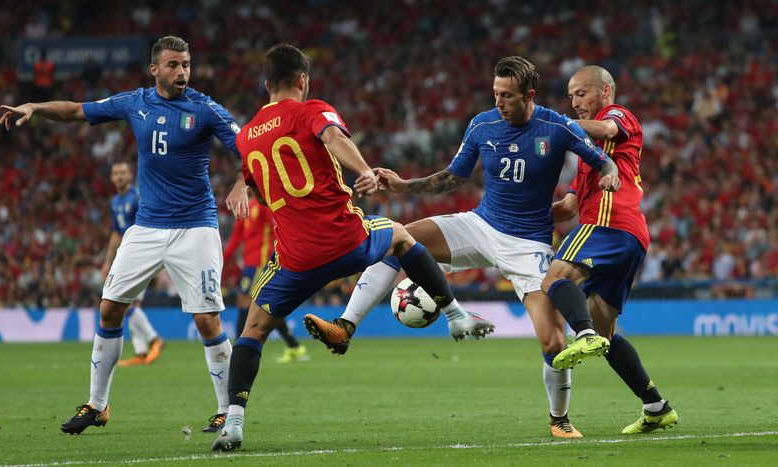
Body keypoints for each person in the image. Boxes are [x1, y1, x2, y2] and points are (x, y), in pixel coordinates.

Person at [304, 56, 621, 438]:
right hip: (481, 224)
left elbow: (604, 162)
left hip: (528, 244)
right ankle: (345, 326)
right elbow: (453, 178)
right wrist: (404, 185)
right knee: (396, 236)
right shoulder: (482, 124)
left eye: (507, 96)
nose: (499, 102)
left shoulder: (557, 126)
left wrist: (610, 176)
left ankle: (559, 420)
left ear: (529, 95)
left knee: (554, 342)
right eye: (495, 94)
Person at [212, 43, 492, 452]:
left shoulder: (248, 136)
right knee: (398, 234)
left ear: (267, 84)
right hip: (345, 238)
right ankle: (454, 314)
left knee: (252, 331)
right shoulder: (311, 110)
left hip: (294, 258)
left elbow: (255, 171)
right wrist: (364, 171)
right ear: (303, 81)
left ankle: (233, 424)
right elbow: (331, 136)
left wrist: (240, 185)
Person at [0, 36, 240, 435]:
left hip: (194, 226)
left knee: (206, 318)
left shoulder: (205, 108)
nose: (182, 72)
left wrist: (243, 181)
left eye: (186, 65)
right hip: (146, 227)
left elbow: (248, 147)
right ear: (155, 69)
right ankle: (97, 405)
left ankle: (226, 409)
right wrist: (36, 108)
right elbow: (77, 111)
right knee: (110, 307)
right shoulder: (135, 103)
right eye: (174, 65)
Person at [541, 65, 678, 433]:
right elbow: (568, 208)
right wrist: (521, 214)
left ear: (604, 91)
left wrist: (551, 121)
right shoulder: (588, 158)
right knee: (607, 336)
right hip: (627, 236)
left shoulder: (616, 115)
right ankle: (656, 405)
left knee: (553, 278)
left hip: (610, 222)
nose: (574, 103)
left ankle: (581, 333)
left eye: (580, 94)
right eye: (569, 96)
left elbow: (606, 129)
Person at [223, 193, 309, 364]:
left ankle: (238, 351)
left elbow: (278, 228)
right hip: (248, 265)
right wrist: (222, 263)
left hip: (261, 262)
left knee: (245, 301)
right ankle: (293, 345)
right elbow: (235, 239)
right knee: (265, 307)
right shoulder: (242, 207)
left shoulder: (262, 205)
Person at [103, 160, 164, 368]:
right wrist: (107, 261)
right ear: (112, 178)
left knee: (126, 304)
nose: (119, 176)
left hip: (141, 254)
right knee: (129, 304)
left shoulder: (137, 197)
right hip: (125, 256)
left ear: (130, 176)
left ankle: (154, 338)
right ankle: (140, 351)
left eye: (123, 172)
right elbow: (116, 233)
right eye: (116, 173)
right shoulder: (114, 202)